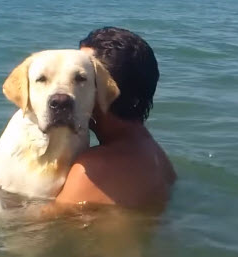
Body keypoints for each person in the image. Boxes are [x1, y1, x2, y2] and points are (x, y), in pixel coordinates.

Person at [55, 27, 177, 209]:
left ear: (110, 92)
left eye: (81, 79)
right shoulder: (157, 156)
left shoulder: (93, 168)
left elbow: (30, 228)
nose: (68, 91)